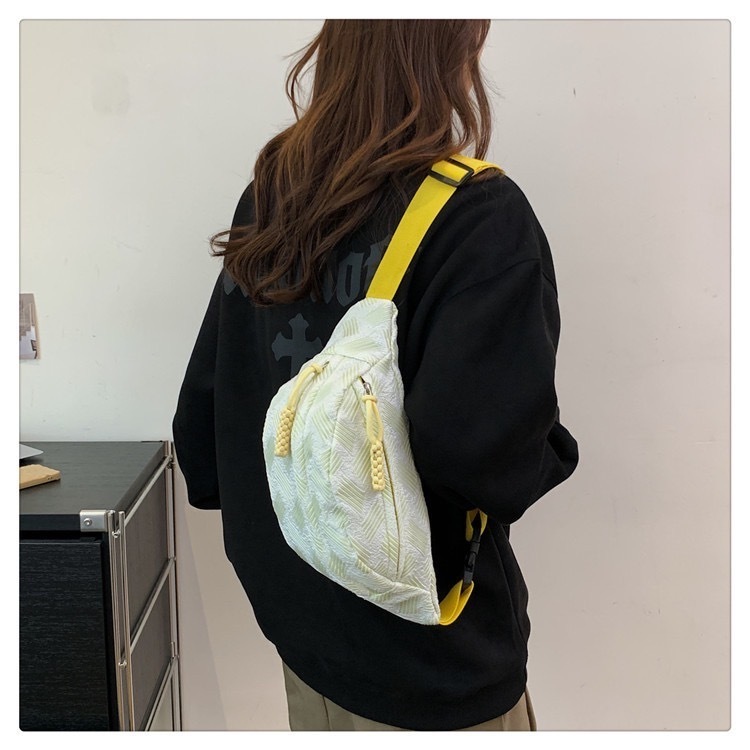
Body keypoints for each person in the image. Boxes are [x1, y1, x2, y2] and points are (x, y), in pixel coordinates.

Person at [173, 19, 579, 731]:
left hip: (304, 628)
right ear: (453, 51)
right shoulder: (477, 217)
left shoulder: (273, 195)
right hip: (431, 660)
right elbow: (481, 458)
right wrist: (551, 454)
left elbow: (206, 410)